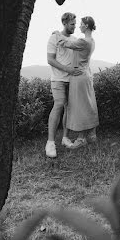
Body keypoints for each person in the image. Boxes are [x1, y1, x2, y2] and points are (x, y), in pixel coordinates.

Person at [55, 16, 99, 149]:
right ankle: (91, 134)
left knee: (80, 107)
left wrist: (57, 33)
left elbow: (64, 43)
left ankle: (81, 139)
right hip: (86, 74)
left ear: (86, 25)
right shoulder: (92, 41)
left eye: (80, 24)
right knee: (88, 104)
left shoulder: (83, 41)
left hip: (78, 76)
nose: (78, 26)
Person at [45, 12, 83, 158]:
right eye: (72, 24)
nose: (74, 26)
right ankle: (50, 143)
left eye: (75, 24)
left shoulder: (73, 40)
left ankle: (65, 138)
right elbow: (50, 60)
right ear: (65, 23)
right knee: (59, 104)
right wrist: (68, 70)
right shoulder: (54, 37)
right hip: (58, 79)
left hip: (72, 80)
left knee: (69, 108)